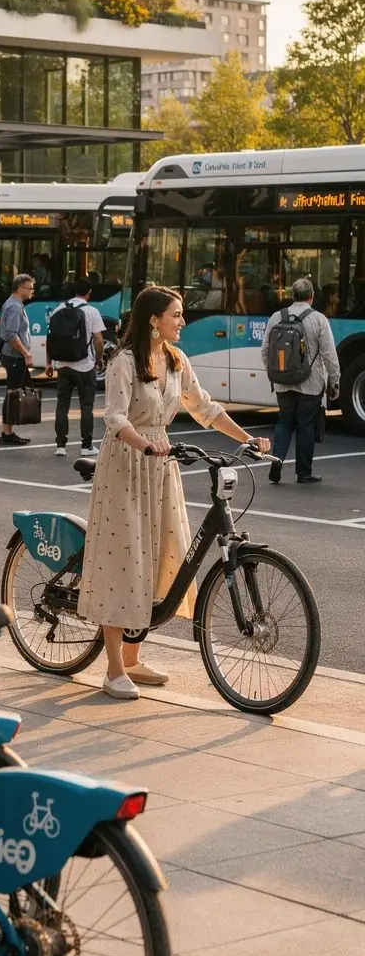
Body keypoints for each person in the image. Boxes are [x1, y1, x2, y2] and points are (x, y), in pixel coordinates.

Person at [77, 285, 270, 700]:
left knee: (159, 557)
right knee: (124, 562)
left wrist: (248, 438)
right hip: (127, 464)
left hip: (161, 466)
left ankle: (132, 659)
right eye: (176, 314)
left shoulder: (177, 359)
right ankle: (113, 669)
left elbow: (205, 407)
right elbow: (114, 418)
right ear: (154, 320)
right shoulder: (124, 362)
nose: (182, 321)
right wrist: (144, 444)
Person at [261, 277, 340, 485]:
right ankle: (304, 473)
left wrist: (276, 373)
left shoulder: (276, 317)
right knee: (306, 425)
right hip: (310, 384)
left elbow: (265, 351)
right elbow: (329, 355)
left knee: (284, 422)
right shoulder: (319, 320)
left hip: (282, 383)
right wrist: (334, 382)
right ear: (311, 297)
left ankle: (276, 464)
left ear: (292, 296)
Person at [45, 277, 105, 458]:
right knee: (86, 406)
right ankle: (86, 446)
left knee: (62, 406)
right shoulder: (92, 311)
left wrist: (49, 363)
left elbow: (51, 339)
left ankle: (60, 446)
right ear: (89, 293)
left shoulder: (58, 309)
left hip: (63, 365)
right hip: (85, 365)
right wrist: (99, 359)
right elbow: (98, 340)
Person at [0, 273, 35, 447]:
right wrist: (26, 354)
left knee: (12, 393)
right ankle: (7, 433)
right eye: (30, 288)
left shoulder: (12, 304)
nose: (32, 291)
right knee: (13, 394)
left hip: (12, 356)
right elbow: (11, 335)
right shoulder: (14, 307)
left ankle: (8, 431)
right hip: (14, 356)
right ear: (20, 288)